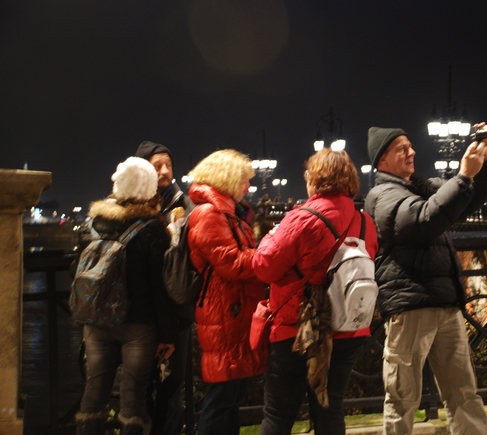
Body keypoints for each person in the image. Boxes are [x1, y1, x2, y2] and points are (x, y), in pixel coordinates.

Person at [364, 124, 487, 435]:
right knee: (402, 396)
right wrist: (464, 176)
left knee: (463, 393)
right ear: (382, 160)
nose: (412, 152)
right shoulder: (383, 194)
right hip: (410, 304)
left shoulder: (418, 186)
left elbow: (464, 200)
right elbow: (422, 221)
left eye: (410, 146)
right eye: (402, 149)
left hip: (443, 302)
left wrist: (486, 158)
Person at [252, 148, 378, 435]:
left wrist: (268, 239)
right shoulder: (364, 222)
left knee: (278, 415)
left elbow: (264, 267)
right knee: (330, 409)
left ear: (316, 178)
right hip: (348, 328)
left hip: (298, 331)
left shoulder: (301, 218)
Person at [75, 157, 176, 435]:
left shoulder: (91, 225)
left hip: (96, 321)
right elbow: (161, 287)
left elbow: (78, 268)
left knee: (93, 394)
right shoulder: (152, 228)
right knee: (132, 401)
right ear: (149, 189)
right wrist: (168, 335)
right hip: (138, 325)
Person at [185, 149, 266, 435]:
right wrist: (268, 256)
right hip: (223, 313)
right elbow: (231, 263)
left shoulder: (228, 213)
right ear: (228, 178)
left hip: (234, 310)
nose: (248, 185)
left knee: (232, 397)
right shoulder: (209, 213)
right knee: (221, 397)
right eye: (245, 179)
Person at [134, 140, 194, 435]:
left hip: (177, 311)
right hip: (142, 313)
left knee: (172, 387)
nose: (165, 171)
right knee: (140, 387)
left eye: (169, 165)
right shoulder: (131, 206)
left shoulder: (184, 204)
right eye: (158, 166)